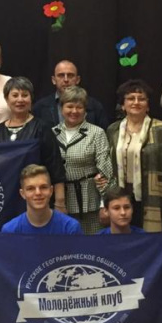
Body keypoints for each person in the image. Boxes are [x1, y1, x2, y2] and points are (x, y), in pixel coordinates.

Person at [0, 165, 80, 323]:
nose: (38, 193)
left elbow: (76, 276)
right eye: (31, 188)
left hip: (61, 306)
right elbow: (7, 277)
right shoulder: (10, 230)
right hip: (27, 308)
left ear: (52, 191)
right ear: (22, 193)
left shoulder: (70, 228)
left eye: (43, 187)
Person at [106, 80, 162, 231]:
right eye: (131, 98)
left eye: (141, 99)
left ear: (148, 105)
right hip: (121, 200)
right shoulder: (112, 130)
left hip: (153, 200)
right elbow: (108, 168)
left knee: (151, 241)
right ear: (123, 105)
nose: (136, 102)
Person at [0, 77, 65, 206]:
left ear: (31, 99)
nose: (20, 100)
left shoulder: (42, 127)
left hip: (37, 196)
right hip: (7, 196)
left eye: (25, 95)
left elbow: (56, 167)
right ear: (6, 99)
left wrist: (60, 202)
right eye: (15, 95)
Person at [52, 85, 114, 233]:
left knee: (91, 244)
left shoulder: (96, 133)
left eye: (79, 107)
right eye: (70, 106)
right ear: (61, 108)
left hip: (89, 204)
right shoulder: (52, 133)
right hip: (60, 203)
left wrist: (104, 204)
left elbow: (106, 173)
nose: (74, 111)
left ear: (85, 110)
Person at [33, 59, 108, 130]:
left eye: (70, 75)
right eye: (61, 75)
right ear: (53, 80)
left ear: (77, 80)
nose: (66, 80)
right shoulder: (40, 107)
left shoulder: (94, 106)